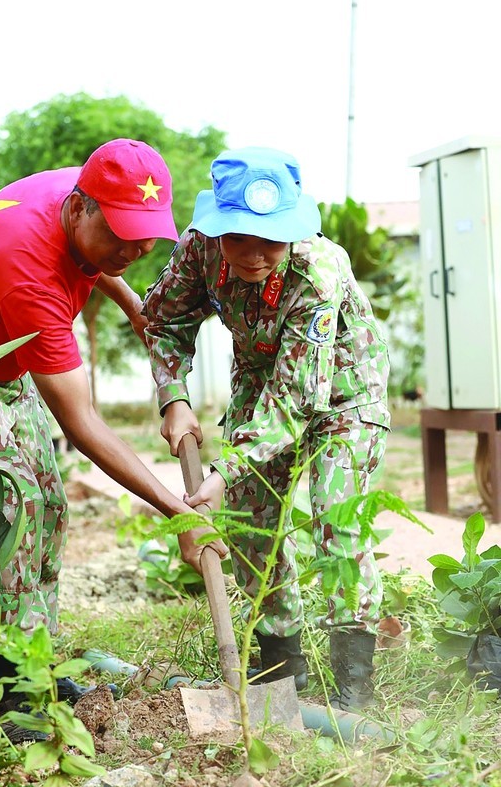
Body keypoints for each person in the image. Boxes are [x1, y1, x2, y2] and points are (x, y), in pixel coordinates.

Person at [0, 138, 227, 734]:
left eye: (146, 235)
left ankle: (33, 662)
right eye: (121, 235)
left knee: (46, 508)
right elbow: (84, 422)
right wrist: (179, 512)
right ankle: (13, 690)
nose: (137, 248)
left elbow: (90, 258)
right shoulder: (28, 270)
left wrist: (126, 298)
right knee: (13, 513)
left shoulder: (98, 187)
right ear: (80, 207)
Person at [143, 146, 390, 712]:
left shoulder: (317, 272)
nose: (255, 255)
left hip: (344, 393)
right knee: (255, 524)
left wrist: (223, 470)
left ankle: (353, 683)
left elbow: (299, 399)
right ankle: (282, 666)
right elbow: (162, 321)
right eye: (240, 238)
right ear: (217, 229)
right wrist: (173, 397)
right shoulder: (199, 251)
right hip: (259, 381)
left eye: (270, 240)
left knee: (337, 516)